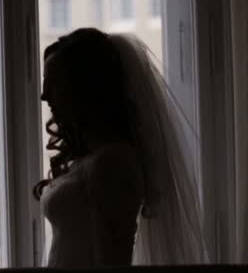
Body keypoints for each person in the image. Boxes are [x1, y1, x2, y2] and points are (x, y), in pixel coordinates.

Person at [33, 28, 207, 267]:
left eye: (54, 84)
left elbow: (114, 259)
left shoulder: (113, 163)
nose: (44, 96)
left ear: (85, 88)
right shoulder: (91, 158)